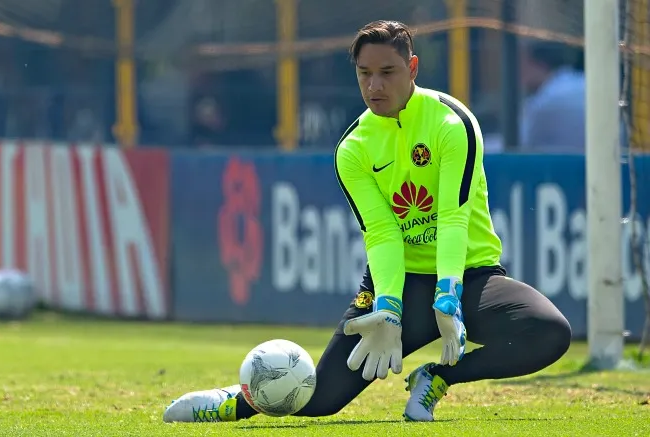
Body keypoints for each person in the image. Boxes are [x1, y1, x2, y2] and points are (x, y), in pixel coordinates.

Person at [162, 20, 572, 424]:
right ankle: (231, 404)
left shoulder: (453, 123)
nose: (375, 86)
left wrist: (447, 294)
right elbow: (382, 233)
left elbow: (452, 217)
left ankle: (437, 378)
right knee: (321, 399)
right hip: (399, 281)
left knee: (549, 332)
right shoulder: (353, 148)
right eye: (365, 74)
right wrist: (389, 307)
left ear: (411, 68)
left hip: (469, 279)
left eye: (387, 72)